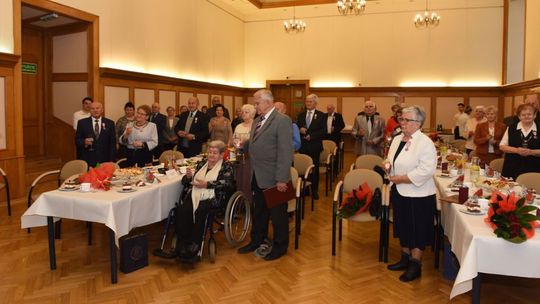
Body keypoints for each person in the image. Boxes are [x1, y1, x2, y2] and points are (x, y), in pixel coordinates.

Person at [237, 89, 293, 261]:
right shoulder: (257, 121)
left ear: (268, 102)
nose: (255, 106)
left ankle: (279, 247)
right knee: (259, 211)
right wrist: (241, 146)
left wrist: (282, 179)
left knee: (278, 216)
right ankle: (257, 240)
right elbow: (253, 141)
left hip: (275, 177)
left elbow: (285, 152)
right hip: (257, 174)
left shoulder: (282, 120)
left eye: (257, 103)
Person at [386, 106, 437, 282]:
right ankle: (404, 258)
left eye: (407, 120)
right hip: (399, 190)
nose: (402, 123)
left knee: (418, 229)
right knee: (403, 224)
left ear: (418, 123)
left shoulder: (425, 142)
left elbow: (426, 170)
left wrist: (403, 178)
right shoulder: (397, 139)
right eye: (402, 119)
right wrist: (387, 165)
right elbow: (391, 159)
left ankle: (416, 264)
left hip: (418, 193)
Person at [166, 140, 235, 263]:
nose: (211, 155)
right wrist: (188, 177)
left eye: (215, 153)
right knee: (182, 210)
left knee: (200, 211)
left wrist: (207, 184)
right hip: (195, 194)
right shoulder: (202, 163)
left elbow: (228, 183)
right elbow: (187, 182)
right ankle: (182, 245)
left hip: (212, 198)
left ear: (221, 155)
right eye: (210, 152)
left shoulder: (226, 166)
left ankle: (195, 245)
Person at [500, 103, 540, 180]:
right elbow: (502, 146)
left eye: (529, 114)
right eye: (523, 114)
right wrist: (517, 150)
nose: (526, 116)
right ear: (519, 116)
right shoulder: (511, 128)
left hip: (534, 168)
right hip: (512, 167)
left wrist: (531, 152)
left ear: (534, 115)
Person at [297, 94, 325, 200]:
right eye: (307, 101)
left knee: (314, 169)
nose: (308, 103)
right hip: (303, 146)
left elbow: (323, 131)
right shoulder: (301, 115)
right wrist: (300, 130)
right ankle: (305, 190)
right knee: (303, 169)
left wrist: (312, 136)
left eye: (310, 101)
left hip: (315, 146)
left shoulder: (321, 115)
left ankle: (314, 190)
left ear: (315, 103)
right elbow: (297, 128)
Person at [75, 101, 116, 167]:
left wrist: (112, 160)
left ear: (102, 110)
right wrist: (84, 142)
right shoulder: (82, 123)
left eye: (97, 108)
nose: (95, 110)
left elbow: (112, 143)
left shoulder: (110, 123)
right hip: (87, 159)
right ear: (90, 110)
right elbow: (77, 140)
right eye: (92, 108)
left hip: (105, 160)